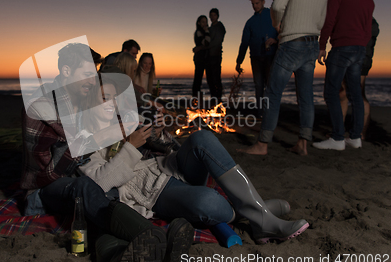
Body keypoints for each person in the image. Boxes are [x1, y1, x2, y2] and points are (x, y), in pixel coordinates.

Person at [78, 77, 310, 245]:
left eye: (113, 98)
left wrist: (159, 131)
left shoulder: (128, 120)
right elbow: (99, 183)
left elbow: (167, 145)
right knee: (208, 202)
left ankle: (262, 217)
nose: (111, 103)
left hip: (169, 167)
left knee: (202, 136)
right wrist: (130, 146)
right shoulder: (85, 139)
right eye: (104, 98)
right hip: (150, 191)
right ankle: (261, 211)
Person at [20, 43, 187, 262]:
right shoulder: (42, 106)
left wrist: (145, 126)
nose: (93, 80)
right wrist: (101, 138)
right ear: (67, 71)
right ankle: (156, 239)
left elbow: (107, 122)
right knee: (87, 188)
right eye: (88, 74)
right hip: (47, 186)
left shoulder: (80, 96)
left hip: (83, 176)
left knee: (105, 190)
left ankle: (114, 254)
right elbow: (50, 173)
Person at [238, 0, 327, 156]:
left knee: (272, 93)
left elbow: (277, 6)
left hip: (292, 44)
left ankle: (262, 144)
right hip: (312, 43)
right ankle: (303, 143)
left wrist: (278, 26)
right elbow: (322, 18)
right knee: (305, 97)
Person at [313, 0, 375, 150]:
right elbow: (368, 29)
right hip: (359, 50)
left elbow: (330, 19)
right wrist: (361, 45)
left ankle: (338, 138)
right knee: (355, 94)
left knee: (331, 92)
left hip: (342, 47)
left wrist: (322, 45)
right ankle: (355, 138)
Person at [235, 0, 278, 116]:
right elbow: (244, 43)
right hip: (255, 57)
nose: (255, 6)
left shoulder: (273, 16)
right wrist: (239, 61)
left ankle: (271, 113)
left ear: (263, 2)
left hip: (271, 56)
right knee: (258, 85)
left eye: (257, 3)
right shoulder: (250, 22)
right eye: (253, 4)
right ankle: (260, 112)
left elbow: (282, 31)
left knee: (271, 85)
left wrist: (276, 40)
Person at [340, 17, 379, 141]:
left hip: (358, 58)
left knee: (356, 94)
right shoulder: (367, 19)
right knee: (344, 93)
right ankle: (340, 131)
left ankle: (359, 134)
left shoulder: (365, 20)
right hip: (359, 57)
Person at [207, 8, 226, 103]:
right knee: (210, 79)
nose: (212, 17)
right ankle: (213, 98)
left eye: (214, 15)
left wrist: (204, 47)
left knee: (216, 78)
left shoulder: (220, 27)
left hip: (216, 55)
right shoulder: (209, 28)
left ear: (217, 16)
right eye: (211, 15)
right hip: (208, 56)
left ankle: (218, 100)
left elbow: (217, 41)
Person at [192, 15, 210, 102]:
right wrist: (206, 31)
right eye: (203, 21)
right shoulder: (199, 32)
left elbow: (206, 44)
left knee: (207, 78)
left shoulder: (204, 32)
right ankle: (196, 100)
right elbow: (206, 43)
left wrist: (200, 47)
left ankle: (197, 99)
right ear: (199, 23)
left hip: (205, 58)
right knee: (198, 79)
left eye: (206, 21)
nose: (205, 23)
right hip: (200, 58)